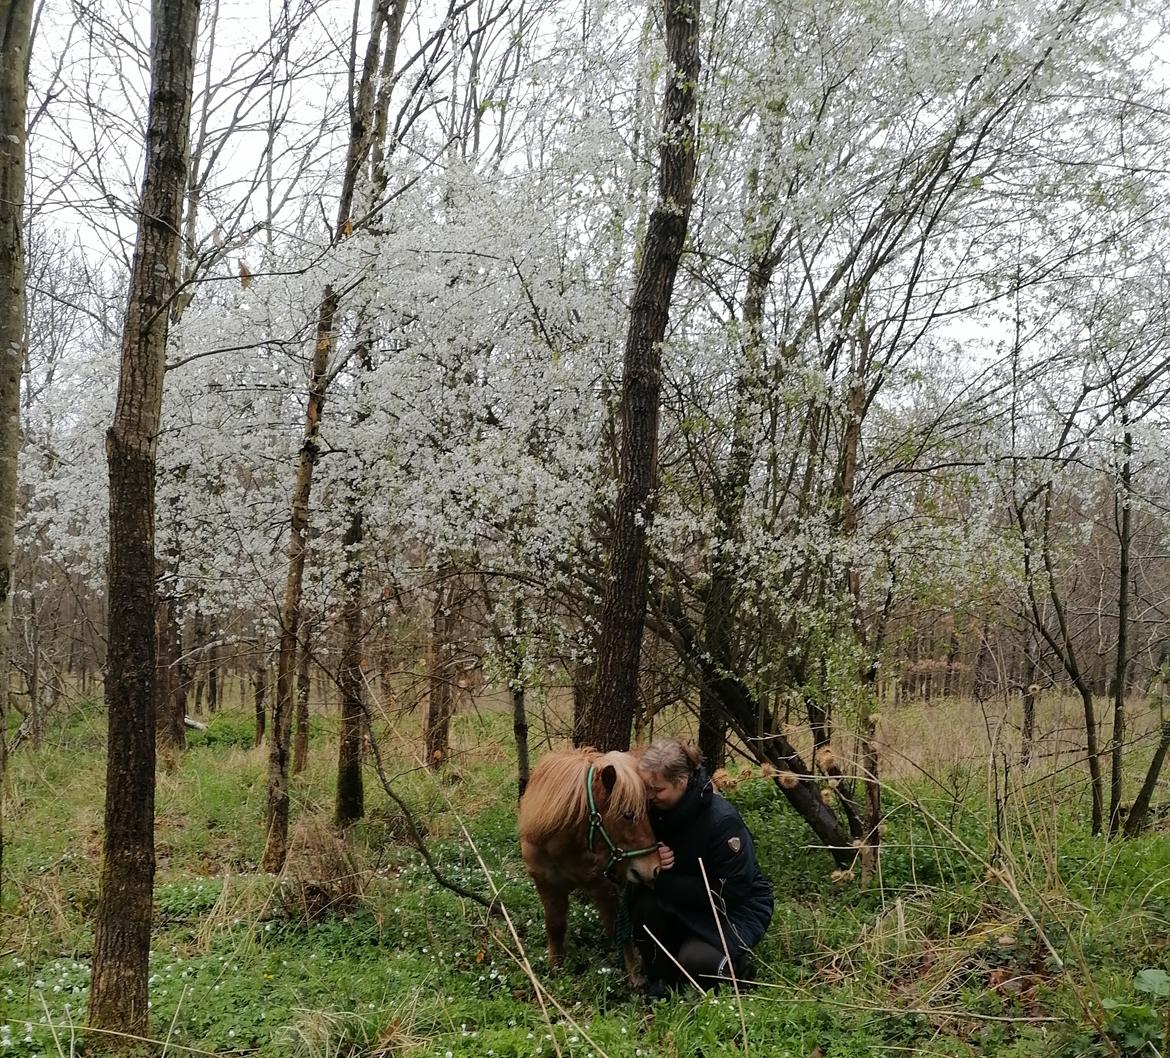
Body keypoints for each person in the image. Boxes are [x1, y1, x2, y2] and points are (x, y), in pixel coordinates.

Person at [631, 738, 774, 995]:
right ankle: (663, 983)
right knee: (643, 911)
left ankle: (736, 970)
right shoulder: (652, 809)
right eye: (646, 788)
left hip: (732, 908)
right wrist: (652, 855)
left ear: (682, 781)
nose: (649, 797)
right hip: (684, 900)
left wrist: (662, 880)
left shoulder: (722, 821)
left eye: (657, 789)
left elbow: (732, 891)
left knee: (696, 960)